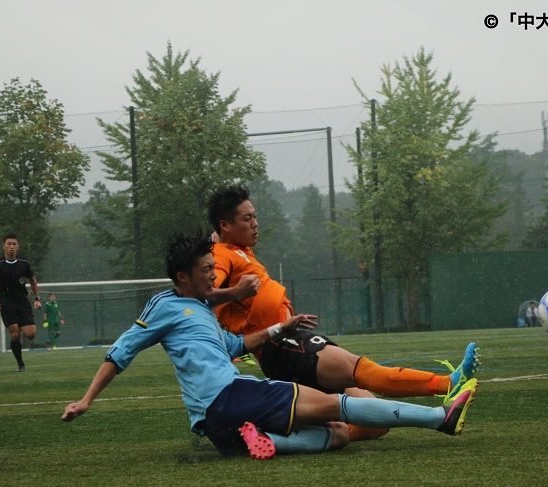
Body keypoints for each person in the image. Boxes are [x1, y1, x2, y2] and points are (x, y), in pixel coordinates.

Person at [61, 235, 480, 460]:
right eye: (206, 270)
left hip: (217, 425)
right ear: (182, 277)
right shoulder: (164, 306)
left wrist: (282, 327)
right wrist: (86, 400)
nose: (213, 276)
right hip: (228, 397)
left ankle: (265, 441)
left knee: (336, 435)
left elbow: (237, 343)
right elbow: (120, 352)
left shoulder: (202, 312)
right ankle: (439, 418)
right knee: (337, 405)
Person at [205, 186, 479, 442]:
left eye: (255, 216)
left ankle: (271, 435)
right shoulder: (222, 254)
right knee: (363, 370)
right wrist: (235, 290)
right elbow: (205, 291)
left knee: (375, 425)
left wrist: (215, 238)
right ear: (226, 225)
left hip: (286, 348)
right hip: (283, 346)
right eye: (247, 219)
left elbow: (216, 246)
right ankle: (448, 385)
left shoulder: (237, 249)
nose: (255, 223)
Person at [0, 234, 42, 372]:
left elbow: (33, 281)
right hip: (6, 302)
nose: (11, 247)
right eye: (9, 244)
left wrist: (37, 299)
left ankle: (21, 325)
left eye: (14, 244)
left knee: (31, 333)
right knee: (15, 333)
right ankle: (20, 364)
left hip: (22, 301)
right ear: (4, 246)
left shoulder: (24, 263)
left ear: (18, 246)